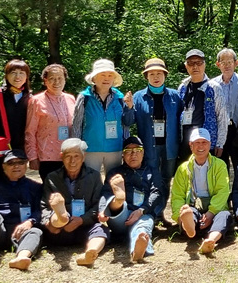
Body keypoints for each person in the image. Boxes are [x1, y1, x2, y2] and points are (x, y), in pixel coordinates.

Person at [40, 138, 109, 267]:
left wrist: (81, 220)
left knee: (101, 230)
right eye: (68, 156)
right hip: (60, 230)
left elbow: (98, 205)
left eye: (76, 156)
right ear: (61, 156)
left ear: (83, 157)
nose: (72, 161)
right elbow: (45, 205)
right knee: (52, 221)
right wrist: (48, 223)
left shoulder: (94, 176)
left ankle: (90, 252)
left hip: (84, 226)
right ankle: (61, 217)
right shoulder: (52, 178)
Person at [132, 57, 182, 224]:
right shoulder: (138, 97)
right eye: (151, 74)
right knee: (150, 180)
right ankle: (149, 213)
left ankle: (159, 213)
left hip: (170, 147)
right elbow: (128, 121)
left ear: (165, 75)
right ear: (146, 76)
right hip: (149, 147)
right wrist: (128, 107)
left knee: (166, 180)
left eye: (159, 73)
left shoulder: (175, 96)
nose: (156, 77)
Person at [170, 128, 232, 254]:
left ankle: (211, 240)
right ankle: (190, 229)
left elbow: (222, 191)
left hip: (215, 208)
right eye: (197, 143)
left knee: (224, 215)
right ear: (191, 145)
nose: (201, 146)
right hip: (193, 206)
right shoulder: (183, 168)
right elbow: (177, 195)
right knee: (189, 212)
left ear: (210, 144)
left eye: (204, 142)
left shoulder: (220, 165)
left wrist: (211, 213)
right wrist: (179, 216)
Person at [99, 136, 161, 263]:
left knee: (143, 226)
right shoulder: (115, 173)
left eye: (137, 150)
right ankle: (119, 200)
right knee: (119, 206)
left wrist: (142, 210)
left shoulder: (152, 172)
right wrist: (102, 209)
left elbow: (157, 193)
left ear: (143, 153)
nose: (133, 154)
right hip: (121, 216)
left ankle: (138, 249)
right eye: (128, 151)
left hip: (142, 213)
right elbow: (105, 193)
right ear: (122, 155)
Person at [71, 59, 135, 178]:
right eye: (102, 75)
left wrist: (130, 108)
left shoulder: (120, 98)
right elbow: (76, 125)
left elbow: (127, 123)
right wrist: (76, 148)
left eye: (110, 75)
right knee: (90, 181)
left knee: (114, 182)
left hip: (115, 148)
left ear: (114, 79)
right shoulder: (84, 97)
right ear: (94, 78)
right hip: (90, 149)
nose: (106, 78)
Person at [25, 63, 76, 181]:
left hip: (69, 154)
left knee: (70, 188)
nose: (56, 82)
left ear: (65, 80)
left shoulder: (71, 98)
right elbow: (30, 131)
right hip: (47, 156)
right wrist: (32, 157)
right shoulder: (36, 101)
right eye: (52, 78)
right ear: (45, 81)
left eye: (60, 78)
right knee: (52, 190)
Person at [178, 49, 228, 164]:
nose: (195, 66)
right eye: (191, 63)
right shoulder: (183, 87)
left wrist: (220, 143)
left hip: (207, 140)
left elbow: (222, 117)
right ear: (186, 66)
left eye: (199, 63)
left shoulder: (214, 87)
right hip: (186, 140)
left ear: (204, 65)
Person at [209, 48, 238, 173]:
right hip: (219, 129)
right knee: (221, 164)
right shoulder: (212, 84)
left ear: (236, 63)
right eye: (223, 62)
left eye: (230, 62)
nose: (227, 65)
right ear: (218, 64)